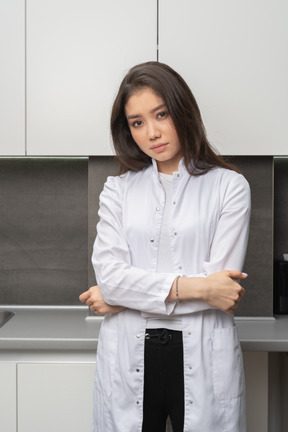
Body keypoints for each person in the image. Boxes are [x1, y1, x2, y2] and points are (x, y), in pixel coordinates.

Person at [79, 61, 251, 432]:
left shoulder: (230, 187)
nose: (152, 133)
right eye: (137, 122)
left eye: (161, 114)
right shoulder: (118, 190)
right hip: (128, 353)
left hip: (203, 354)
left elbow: (223, 290)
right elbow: (111, 275)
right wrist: (200, 287)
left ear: (183, 111)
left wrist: (120, 297)